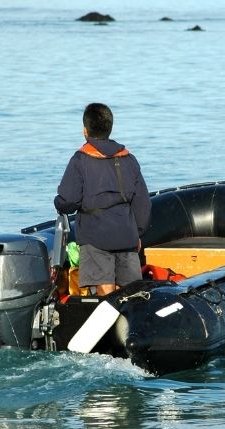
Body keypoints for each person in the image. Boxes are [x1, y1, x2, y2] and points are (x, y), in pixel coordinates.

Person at [54, 103, 151, 296]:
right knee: (131, 291)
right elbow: (143, 203)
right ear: (110, 127)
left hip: (95, 236)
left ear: (85, 131)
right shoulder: (129, 159)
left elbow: (69, 201)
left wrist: (59, 203)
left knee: (104, 289)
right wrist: (137, 233)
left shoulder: (80, 160)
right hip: (126, 235)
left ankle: (108, 324)